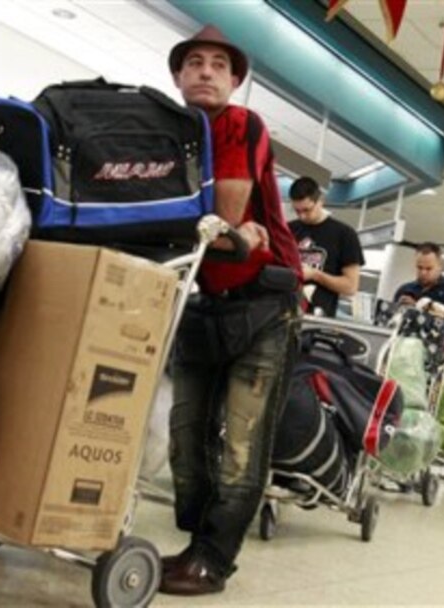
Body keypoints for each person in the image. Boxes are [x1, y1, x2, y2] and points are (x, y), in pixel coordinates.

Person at [161, 25, 303, 596]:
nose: (204, 71)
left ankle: (214, 560)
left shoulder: (240, 125)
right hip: (204, 301)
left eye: (219, 65)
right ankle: (195, 543)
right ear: (177, 76)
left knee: (241, 446)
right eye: (193, 62)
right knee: (184, 438)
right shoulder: (170, 134)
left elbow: (222, 218)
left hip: (265, 303)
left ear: (236, 81)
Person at [287, 176, 364, 318]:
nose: (302, 216)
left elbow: (351, 286)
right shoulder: (287, 230)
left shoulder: (345, 234)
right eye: (297, 211)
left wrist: (316, 275)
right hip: (283, 313)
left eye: (307, 210)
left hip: (318, 318)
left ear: (320, 201)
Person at [392, 242, 444, 357]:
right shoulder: (404, 289)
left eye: (429, 269)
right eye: (419, 267)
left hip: (434, 351)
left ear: (439, 266)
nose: (423, 272)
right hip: (402, 349)